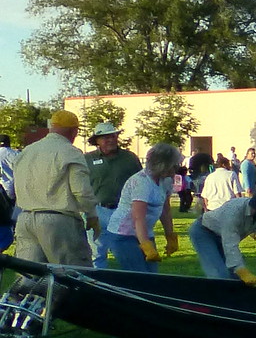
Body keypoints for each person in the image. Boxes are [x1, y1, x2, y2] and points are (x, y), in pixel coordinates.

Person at [10, 109, 95, 265]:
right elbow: (81, 190)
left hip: (25, 219)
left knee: (30, 276)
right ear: (74, 131)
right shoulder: (69, 152)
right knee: (73, 274)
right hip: (58, 220)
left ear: (51, 127)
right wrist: (91, 214)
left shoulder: (26, 151)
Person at [100, 143, 180, 273]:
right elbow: (138, 217)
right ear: (163, 165)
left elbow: (165, 210)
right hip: (123, 234)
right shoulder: (141, 182)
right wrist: (146, 245)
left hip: (144, 232)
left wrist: (170, 235)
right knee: (139, 274)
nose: (176, 169)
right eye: (174, 165)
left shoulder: (166, 181)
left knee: (152, 275)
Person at [191, 185, 256, 283]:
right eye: (254, 206)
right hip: (204, 232)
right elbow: (230, 244)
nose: (254, 211)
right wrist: (242, 271)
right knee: (220, 276)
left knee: (235, 279)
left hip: (223, 236)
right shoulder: (233, 210)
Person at [86, 121, 143, 269]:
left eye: (113, 136)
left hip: (124, 211)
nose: (110, 140)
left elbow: (141, 182)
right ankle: (99, 286)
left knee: (128, 250)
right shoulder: (87, 159)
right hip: (97, 211)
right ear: (96, 141)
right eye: (105, 137)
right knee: (96, 253)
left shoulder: (130, 158)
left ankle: (132, 282)